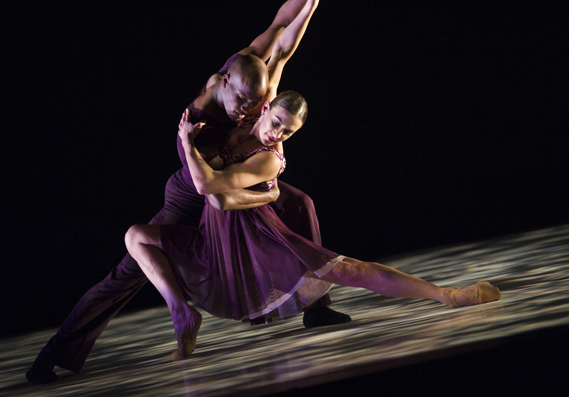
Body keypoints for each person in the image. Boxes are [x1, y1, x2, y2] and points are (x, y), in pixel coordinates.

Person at [26, 0, 347, 385]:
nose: (250, 112)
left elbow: (281, 35)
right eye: (242, 104)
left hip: (228, 181)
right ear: (223, 82)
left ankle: (315, 304)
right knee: (128, 272)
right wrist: (266, 193)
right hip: (194, 189)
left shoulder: (254, 79)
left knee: (302, 203)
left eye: (257, 105)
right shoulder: (200, 117)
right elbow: (213, 191)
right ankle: (55, 352)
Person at [126, 86, 502, 359]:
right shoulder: (243, 122)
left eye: (287, 132)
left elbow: (211, 189)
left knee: (349, 270)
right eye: (275, 122)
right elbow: (278, 44)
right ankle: (181, 311)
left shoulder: (270, 158)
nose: (277, 133)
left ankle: (447, 295)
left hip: (256, 236)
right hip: (215, 238)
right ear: (267, 107)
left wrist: (187, 145)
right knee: (135, 236)